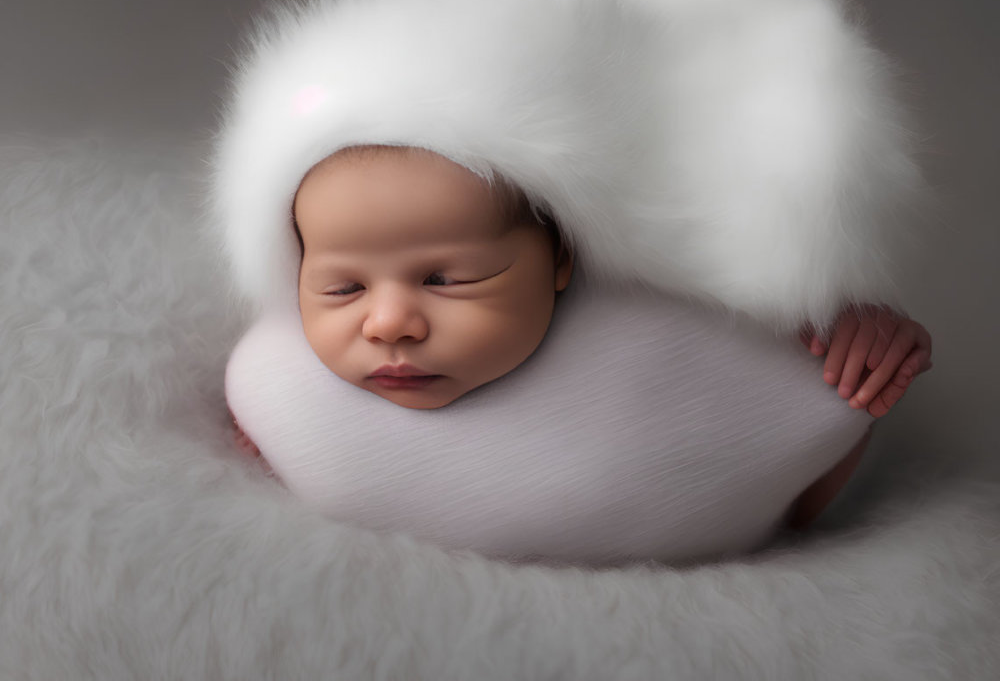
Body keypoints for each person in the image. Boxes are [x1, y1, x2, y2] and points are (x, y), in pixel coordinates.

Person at [233, 141, 932, 527]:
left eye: (446, 280)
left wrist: (860, 372)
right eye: (342, 287)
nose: (387, 324)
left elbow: (802, 499)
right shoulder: (285, 374)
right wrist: (273, 435)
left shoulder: (685, 336)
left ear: (562, 258)